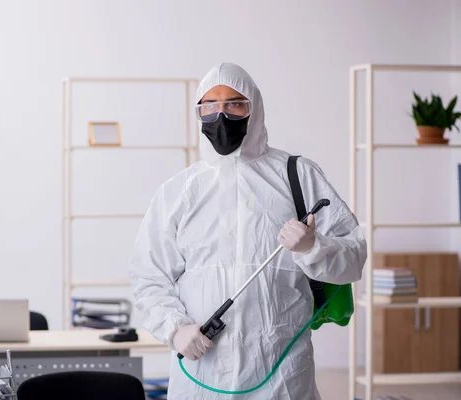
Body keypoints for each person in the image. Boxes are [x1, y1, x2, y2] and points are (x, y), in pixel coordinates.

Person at [129, 62, 367, 399]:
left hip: (281, 375)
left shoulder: (296, 175)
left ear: (254, 109)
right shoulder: (179, 191)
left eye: (234, 104)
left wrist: (314, 247)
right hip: (202, 373)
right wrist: (176, 327)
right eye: (210, 106)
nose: (221, 116)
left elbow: (354, 257)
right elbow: (148, 275)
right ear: (198, 113)